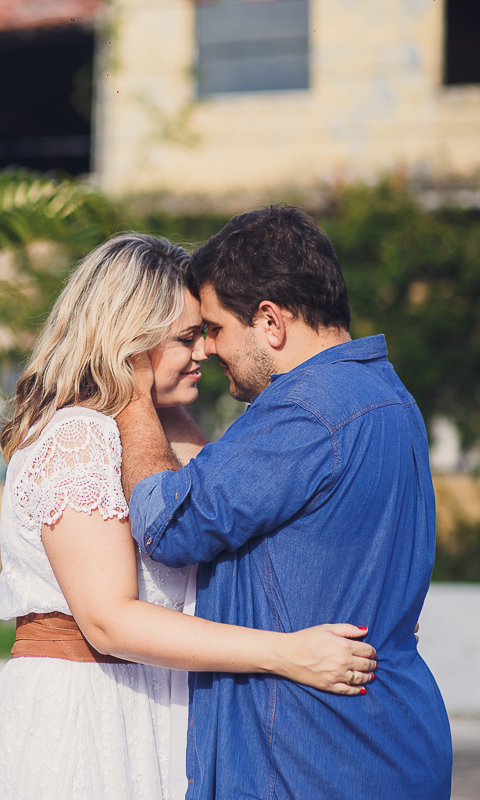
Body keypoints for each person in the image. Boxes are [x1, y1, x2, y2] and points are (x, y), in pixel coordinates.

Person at [0, 233, 376, 800]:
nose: (205, 351)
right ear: (129, 341)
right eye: (188, 337)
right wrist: (285, 654)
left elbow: (219, 530)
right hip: (81, 720)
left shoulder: (145, 437)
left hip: (148, 712)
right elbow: (109, 621)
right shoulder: (78, 437)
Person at [116, 206, 453, 799]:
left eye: (215, 328)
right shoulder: (388, 398)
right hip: (385, 742)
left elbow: (169, 524)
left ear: (270, 321)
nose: (209, 350)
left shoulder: (306, 410)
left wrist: (132, 395)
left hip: (311, 757)